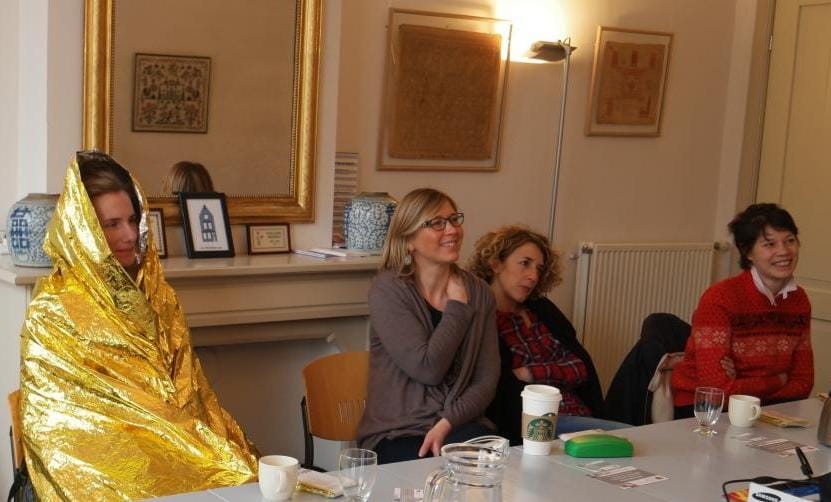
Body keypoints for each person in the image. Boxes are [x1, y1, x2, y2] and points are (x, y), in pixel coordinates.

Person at [19, 151, 257, 500]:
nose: (130, 235)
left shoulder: (158, 296)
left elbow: (190, 391)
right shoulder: (52, 310)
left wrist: (197, 442)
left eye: (133, 220)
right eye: (112, 224)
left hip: (173, 439)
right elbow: (62, 423)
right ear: (83, 230)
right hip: (98, 458)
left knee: (244, 472)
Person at [356, 188, 499, 464]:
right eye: (437, 223)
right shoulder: (389, 290)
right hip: (398, 431)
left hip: (458, 425)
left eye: (454, 220)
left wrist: (447, 422)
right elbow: (427, 369)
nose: (452, 230)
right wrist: (457, 308)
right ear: (409, 240)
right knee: (453, 469)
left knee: (495, 461)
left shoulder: (480, 292)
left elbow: (486, 379)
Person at [468, 225, 626, 444]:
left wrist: (529, 373)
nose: (533, 276)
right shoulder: (482, 318)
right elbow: (501, 388)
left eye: (539, 269)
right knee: (629, 437)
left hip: (580, 412)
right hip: (536, 423)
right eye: (525, 263)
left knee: (634, 440)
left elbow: (581, 367)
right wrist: (555, 371)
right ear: (495, 264)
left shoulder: (542, 309)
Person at [671, 203, 813, 418]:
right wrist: (779, 379)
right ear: (748, 252)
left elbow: (803, 383)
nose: (784, 251)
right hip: (703, 412)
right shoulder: (720, 298)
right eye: (769, 244)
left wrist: (742, 382)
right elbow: (718, 392)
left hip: (769, 410)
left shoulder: (799, 300)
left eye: (790, 240)